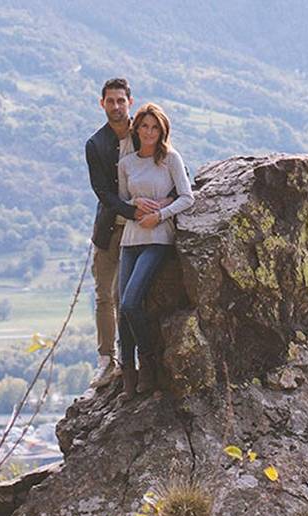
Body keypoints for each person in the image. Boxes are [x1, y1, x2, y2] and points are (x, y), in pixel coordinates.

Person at [85, 79, 173, 389]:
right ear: (102, 104)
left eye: (121, 101)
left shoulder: (144, 133)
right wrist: (132, 210)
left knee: (128, 298)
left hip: (143, 232)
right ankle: (106, 361)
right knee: (104, 296)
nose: (116, 106)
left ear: (129, 102)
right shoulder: (96, 145)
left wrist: (161, 207)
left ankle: (130, 362)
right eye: (111, 101)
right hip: (112, 229)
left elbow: (166, 167)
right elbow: (104, 193)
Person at [116, 102, 194, 398]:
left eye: (155, 127)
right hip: (131, 240)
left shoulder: (170, 159)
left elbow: (187, 197)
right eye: (145, 126)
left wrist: (160, 214)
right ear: (137, 129)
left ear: (162, 130)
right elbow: (122, 203)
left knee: (130, 302)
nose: (149, 132)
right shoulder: (127, 164)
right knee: (122, 309)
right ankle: (128, 374)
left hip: (158, 238)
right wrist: (135, 205)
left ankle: (147, 363)